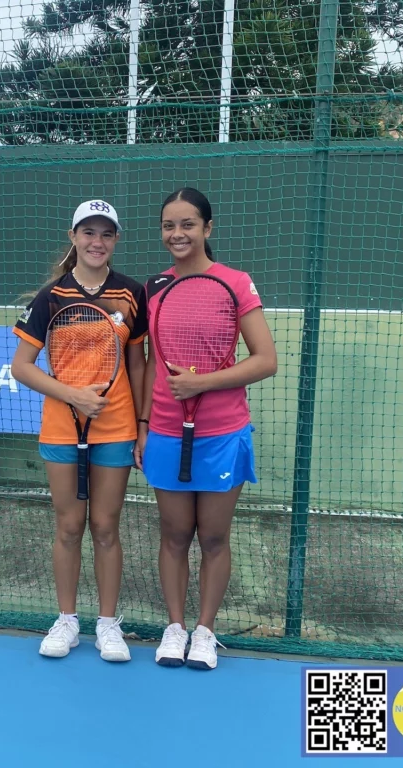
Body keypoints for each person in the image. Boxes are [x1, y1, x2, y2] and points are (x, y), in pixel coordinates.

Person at [135, 188, 278, 670]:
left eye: (188, 224)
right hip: (166, 434)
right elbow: (153, 360)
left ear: (207, 229)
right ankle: (174, 629)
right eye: (169, 225)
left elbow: (266, 360)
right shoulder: (154, 287)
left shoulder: (236, 282)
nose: (177, 234)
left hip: (221, 433)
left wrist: (204, 383)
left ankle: (204, 631)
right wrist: (143, 425)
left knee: (214, 537)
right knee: (174, 535)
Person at [11, 200, 148, 662]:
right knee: (69, 527)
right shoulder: (50, 297)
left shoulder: (131, 294)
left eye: (106, 234)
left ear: (116, 241)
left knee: (106, 527)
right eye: (88, 232)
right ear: (73, 238)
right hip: (61, 429)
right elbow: (22, 367)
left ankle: (108, 625)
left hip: (116, 427)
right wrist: (73, 395)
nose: (97, 242)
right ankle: (67, 621)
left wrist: (143, 425)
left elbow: (137, 363)